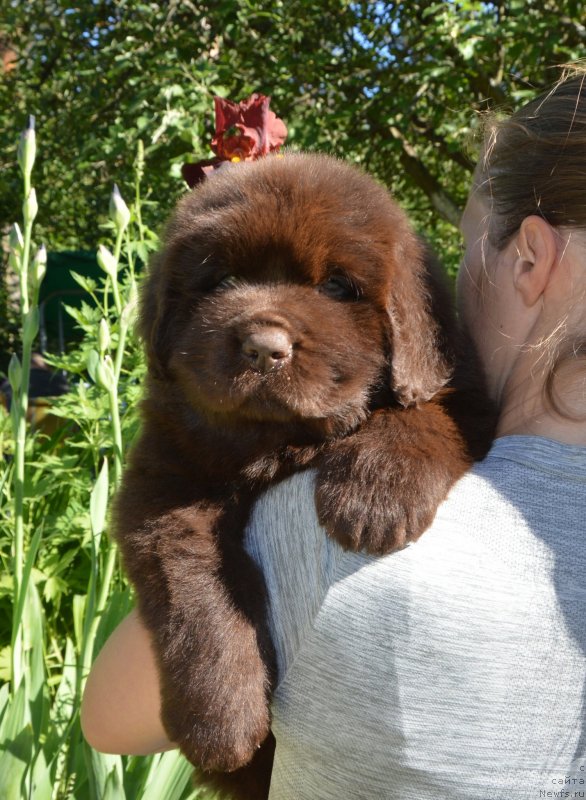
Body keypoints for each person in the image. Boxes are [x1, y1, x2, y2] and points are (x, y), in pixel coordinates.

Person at [81, 71, 586, 799]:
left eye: (471, 243)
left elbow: (108, 720)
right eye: (222, 283)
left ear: (530, 259)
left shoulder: (309, 541)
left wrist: (416, 432)